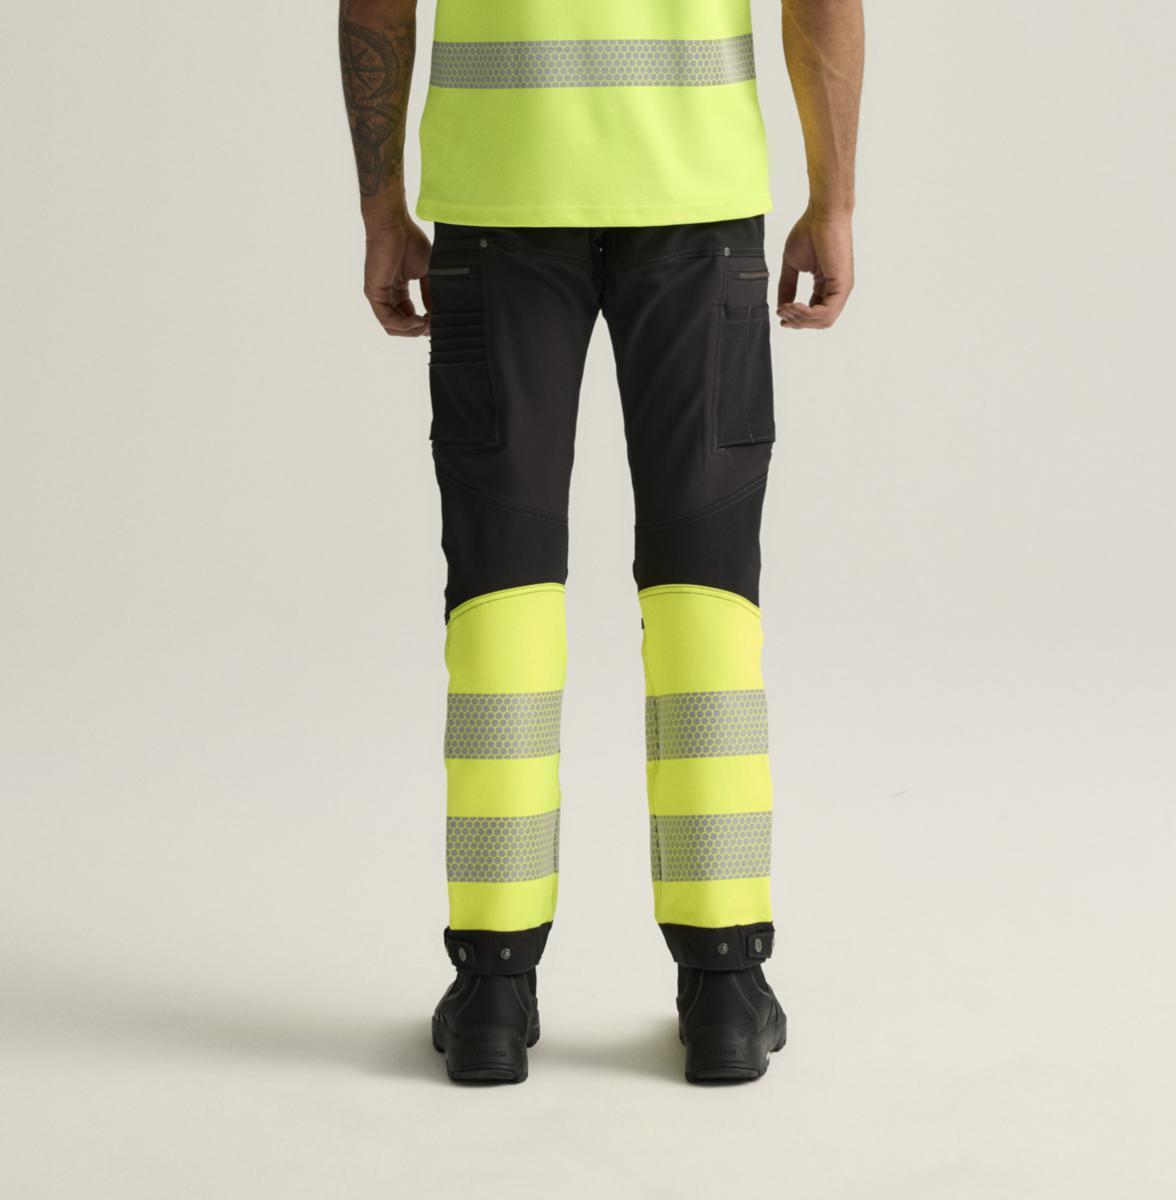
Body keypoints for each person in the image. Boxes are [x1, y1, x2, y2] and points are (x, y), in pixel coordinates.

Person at [339, 0, 864, 1084]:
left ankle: (493, 992)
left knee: (500, 595)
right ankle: (724, 989)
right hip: (699, 200)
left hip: (498, 200)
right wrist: (835, 201)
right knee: (707, 593)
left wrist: (381, 207)